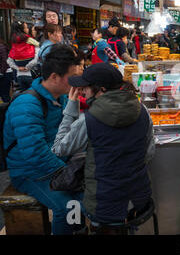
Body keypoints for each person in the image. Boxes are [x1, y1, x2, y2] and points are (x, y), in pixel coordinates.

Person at [51, 63, 155, 232]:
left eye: (85, 87)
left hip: (103, 207)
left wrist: (71, 107)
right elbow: (149, 152)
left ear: (102, 90)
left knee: (69, 202)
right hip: (139, 199)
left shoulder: (89, 120)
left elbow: (58, 149)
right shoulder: (142, 110)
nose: (82, 91)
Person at [3, 44, 85, 235]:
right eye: (72, 77)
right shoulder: (26, 105)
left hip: (57, 163)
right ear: (54, 77)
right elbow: (35, 152)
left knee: (88, 194)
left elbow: (69, 133)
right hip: (29, 171)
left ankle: (78, 229)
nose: (77, 81)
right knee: (66, 207)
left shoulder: (63, 96)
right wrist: (67, 174)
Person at [7, 21, 40, 91]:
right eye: (26, 28)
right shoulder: (27, 38)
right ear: (22, 29)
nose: (28, 29)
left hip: (19, 73)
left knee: (24, 92)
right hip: (30, 71)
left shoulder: (13, 40)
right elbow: (38, 44)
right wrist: (27, 67)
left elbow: (9, 60)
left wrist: (18, 68)